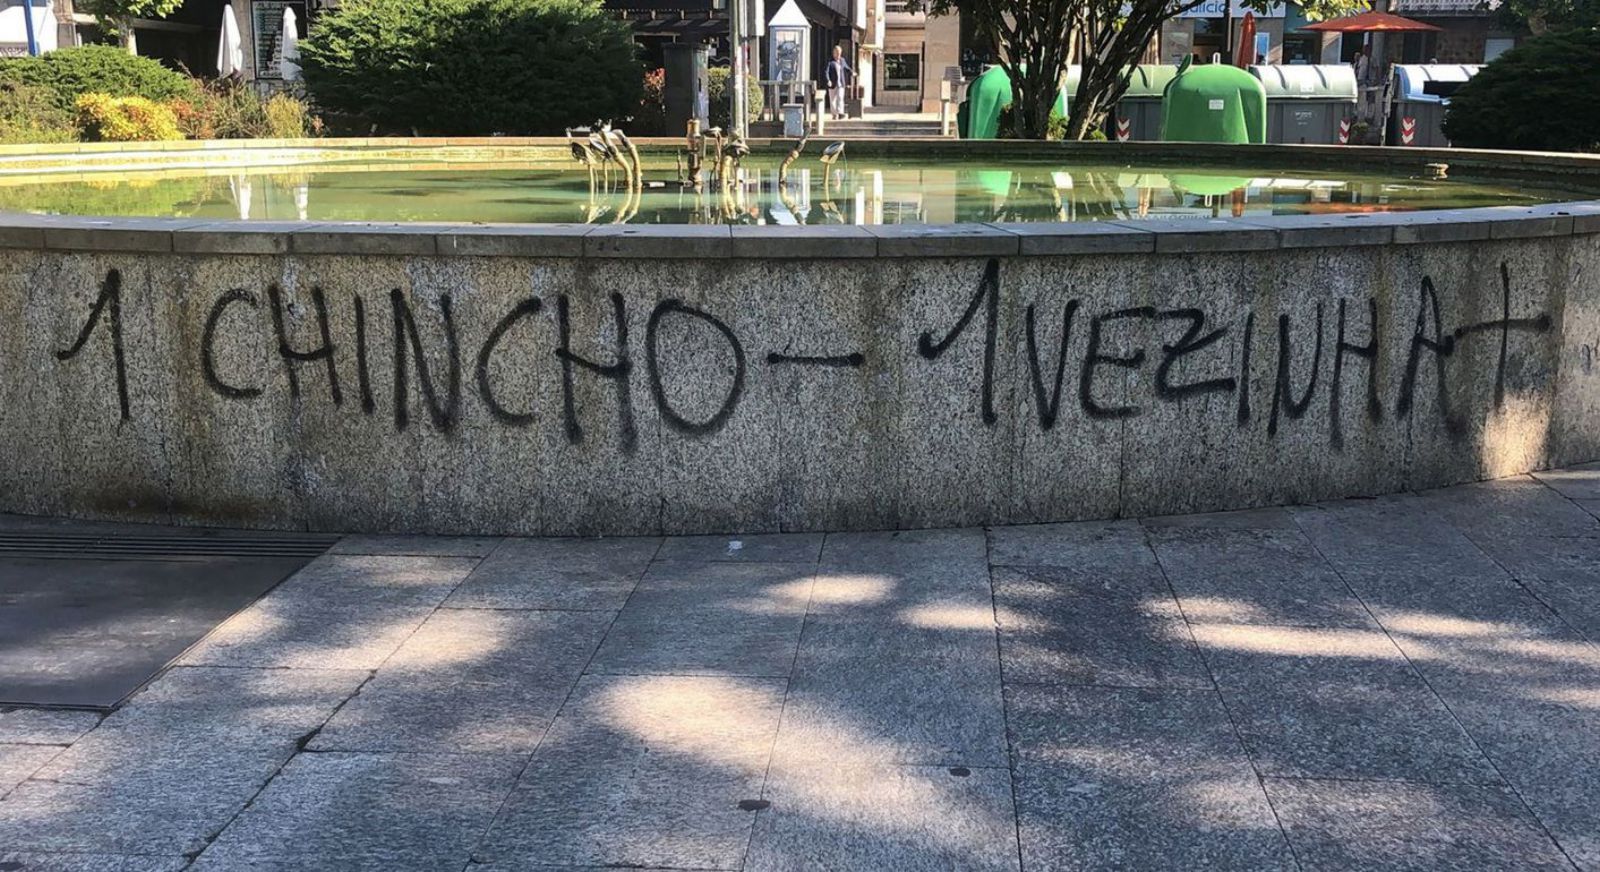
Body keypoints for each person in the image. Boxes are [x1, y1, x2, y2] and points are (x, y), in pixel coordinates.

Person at [825, 46, 853, 121]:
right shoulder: (830, 62)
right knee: (833, 100)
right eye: (837, 53)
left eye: (839, 53)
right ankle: (834, 114)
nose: (838, 55)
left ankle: (840, 113)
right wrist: (828, 80)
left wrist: (852, 72)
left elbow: (846, 68)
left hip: (841, 83)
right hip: (832, 84)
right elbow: (826, 72)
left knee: (840, 97)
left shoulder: (842, 60)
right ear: (833, 53)